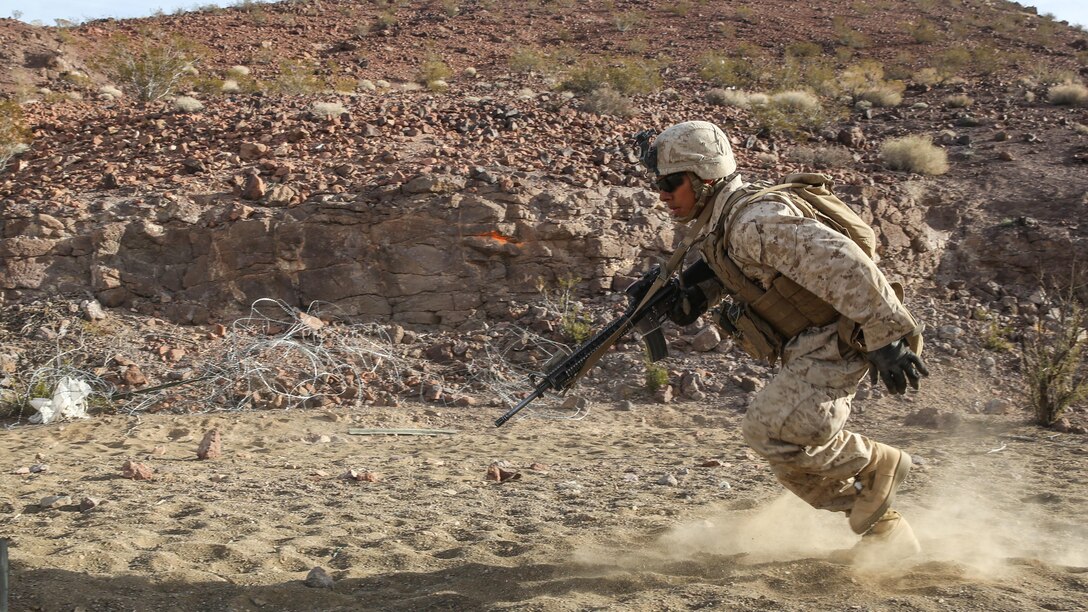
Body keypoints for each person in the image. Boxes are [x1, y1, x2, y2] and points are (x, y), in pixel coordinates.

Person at [633, 120, 930, 559]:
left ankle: (876, 464)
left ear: (704, 178)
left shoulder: (754, 222)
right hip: (809, 344)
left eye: (669, 183)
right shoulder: (725, 225)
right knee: (783, 450)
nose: (662, 195)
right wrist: (686, 298)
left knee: (771, 432)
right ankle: (884, 531)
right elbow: (734, 272)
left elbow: (845, 264)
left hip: (837, 339)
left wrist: (887, 338)